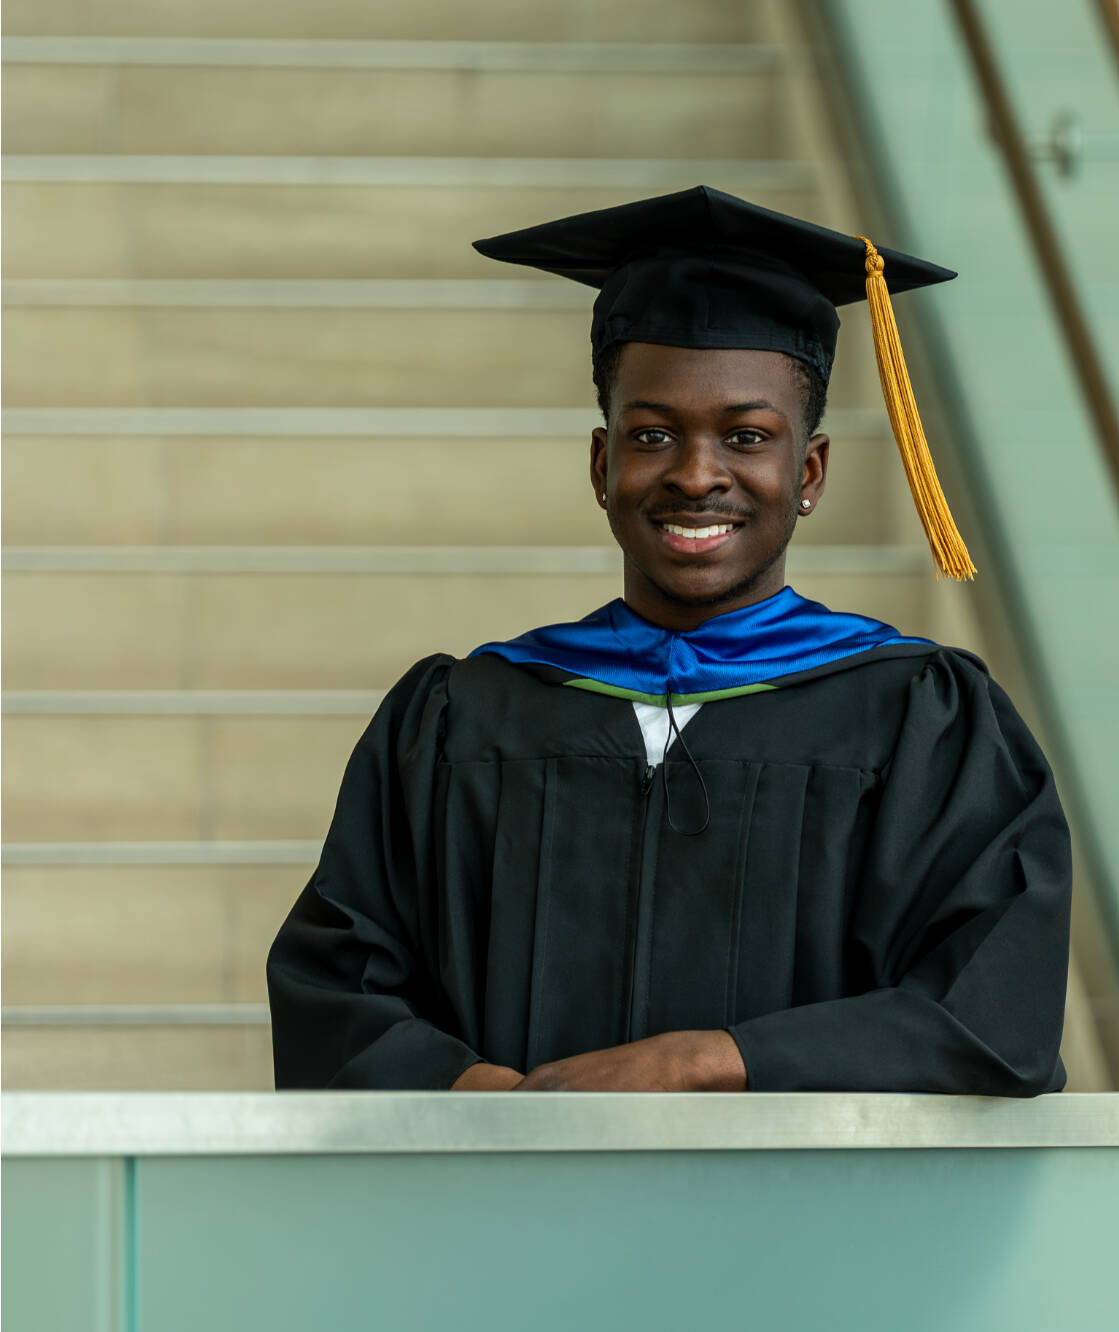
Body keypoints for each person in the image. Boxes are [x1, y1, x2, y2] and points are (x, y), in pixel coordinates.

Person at [267, 187, 1071, 1095]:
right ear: (604, 465)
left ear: (807, 473)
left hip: (813, 1228)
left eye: (746, 436)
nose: (697, 475)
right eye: (654, 435)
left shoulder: (922, 723)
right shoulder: (462, 719)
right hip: (512, 1213)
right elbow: (332, 984)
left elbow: (994, 1010)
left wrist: (702, 1062)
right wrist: (476, 1099)